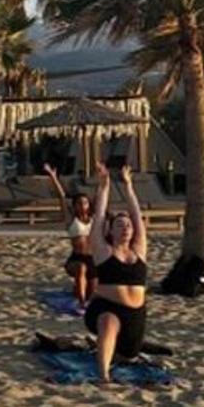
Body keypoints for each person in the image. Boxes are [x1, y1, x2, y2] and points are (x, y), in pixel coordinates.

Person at [86, 163, 148, 385]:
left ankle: (92, 347)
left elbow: (137, 216)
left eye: (128, 226)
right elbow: (100, 217)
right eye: (120, 225)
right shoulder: (103, 251)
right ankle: (103, 376)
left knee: (127, 355)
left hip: (135, 315)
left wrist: (129, 187)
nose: (126, 228)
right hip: (106, 307)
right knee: (108, 323)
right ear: (110, 231)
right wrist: (104, 187)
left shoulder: (138, 250)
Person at [42, 163, 95, 306]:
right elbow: (62, 197)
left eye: (84, 203)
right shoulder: (72, 220)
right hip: (76, 258)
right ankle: (81, 303)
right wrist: (53, 177)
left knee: (93, 293)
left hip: (93, 259)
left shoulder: (94, 220)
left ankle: (79, 291)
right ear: (74, 206)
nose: (82, 205)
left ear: (88, 205)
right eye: (78, 203)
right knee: (81, 269)